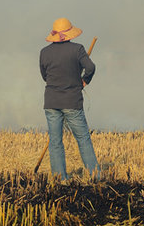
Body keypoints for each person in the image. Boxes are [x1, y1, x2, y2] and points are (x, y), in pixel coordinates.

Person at [39, 17, 100, 180]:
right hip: (72, 101)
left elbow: (45, 76)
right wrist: (84, 80)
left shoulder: (44, 52)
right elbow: (91, 67)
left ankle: (60, 178)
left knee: (55, 142)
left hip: (51, 102)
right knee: (83, 139)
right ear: (69, 34)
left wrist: (57, 83)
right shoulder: (78, 49)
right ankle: (94, 176)